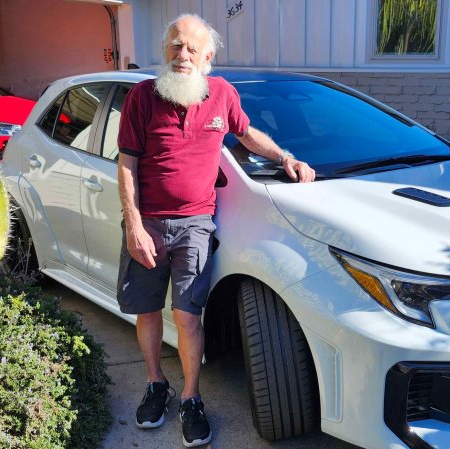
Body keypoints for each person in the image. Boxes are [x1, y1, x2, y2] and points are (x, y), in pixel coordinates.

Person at [116, 13, 315, 448]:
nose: (181, 54)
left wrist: (285, 157)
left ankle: (190, 397)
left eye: (191, 48)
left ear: (207, 57)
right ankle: (155, 384)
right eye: (174, 45)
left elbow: (246, 135)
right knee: (147, 310)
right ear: (165, 50)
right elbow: (127, 162)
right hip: (147, 221)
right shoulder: (142, 97)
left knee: (188, 316)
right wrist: (133, 222)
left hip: (195, 224)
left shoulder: (222, 94)